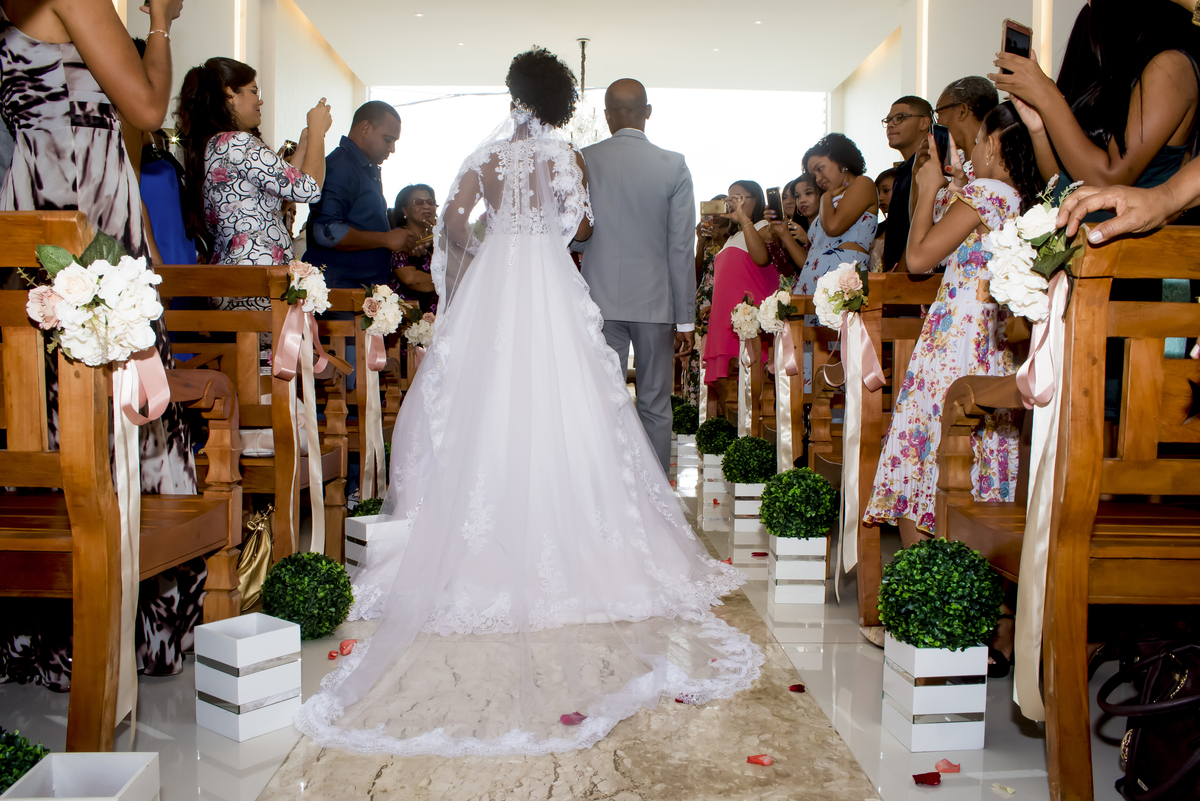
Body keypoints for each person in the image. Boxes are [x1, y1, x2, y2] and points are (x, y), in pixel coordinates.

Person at [293, 47, 760, 759]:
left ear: (514, 95)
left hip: (498, 283)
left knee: (483, 398)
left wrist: (484, 252)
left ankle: (480, 531)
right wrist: (542, 234)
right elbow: (582, 229)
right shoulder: (565, 155)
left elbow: (450, 223)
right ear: (563, 102)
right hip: (548, 280)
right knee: (573, 401)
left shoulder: (487, 158)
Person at [0, 0, 203, 685]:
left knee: (52, 391)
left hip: (31, 194)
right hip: (83, 204)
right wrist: (162, 23)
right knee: (113, 391)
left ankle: (48, 624)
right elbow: (146, 110)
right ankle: (125, 623)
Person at [864, 102, 1040, 552]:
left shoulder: (989, 193)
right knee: (979, 453)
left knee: (924, 444)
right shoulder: (1019, 196)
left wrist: (925, 190)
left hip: (957, 337)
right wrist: (946, 187)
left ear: (998, 145)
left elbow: (920, 259)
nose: (970, 148)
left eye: (979, 140)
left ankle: (924, 583)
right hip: (993, 337)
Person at [576, 78, 696, 473]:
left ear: (607, 115)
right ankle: (657, 496)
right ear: (647, 111)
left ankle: (607, 488)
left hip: (597, 301)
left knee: (601, 401)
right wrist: (686, 318)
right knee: (656, 405)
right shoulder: (673, 164)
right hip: (655, 303)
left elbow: (571, 234)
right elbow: (681, 248)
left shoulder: (583, 159)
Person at [992, 0, 1200, 209]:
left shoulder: (1170, 67)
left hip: (1132, 241)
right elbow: (1064, 185)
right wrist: (1038, 129)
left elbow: (1107, 183)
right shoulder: (1121, 77)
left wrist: (1048, 95)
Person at [176, 57, 329, 286]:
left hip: (233, 273)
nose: (261, 100)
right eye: (254, 91)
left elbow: (275, 193)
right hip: (258, 275)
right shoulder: (238, 142)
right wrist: (318, 131)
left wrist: (306, 142)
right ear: (230, 95)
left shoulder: (211, 145)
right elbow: (309, 188)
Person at [303, 101, 412, 288]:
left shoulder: (363, 168)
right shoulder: (341, 165)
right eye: (388, 139)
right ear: (365, 128)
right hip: (337, 292)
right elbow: (327, 231)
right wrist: (385, 239)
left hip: (357, 291)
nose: (392, 149)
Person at [701, 181, 773, 414]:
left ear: (756, 200)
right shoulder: (732, 238)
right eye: (729, 198)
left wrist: (744, 220)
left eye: (739, 198)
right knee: (727, 389)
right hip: (725, 320)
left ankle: (752, 439)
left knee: (752, 385)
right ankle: (736, 439)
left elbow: (762, 259)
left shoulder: (762, 227)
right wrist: (717, 306)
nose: (732, 203)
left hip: (748, 320)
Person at [792, 134, 878, 296]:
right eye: (813, 175)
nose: (817, 178)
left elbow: (833, 227)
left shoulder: (862, 183)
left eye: (820, 168)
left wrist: (825, 198)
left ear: (841, 160)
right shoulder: (831, 199)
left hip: (841, 284)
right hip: (812, 285)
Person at [880, 96, 933, 271]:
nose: (890, 125)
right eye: (888, 120)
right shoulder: (902, 170)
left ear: (924, 122)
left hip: (914, 273)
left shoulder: (931, 166)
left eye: (899, 118)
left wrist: (900, 273)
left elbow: (921, 226)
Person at [389, 183, 438, 314]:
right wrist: (448, 281)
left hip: (438, 314)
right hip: (408, 316)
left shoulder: (441, 236)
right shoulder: (399, 237)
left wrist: (440, 236)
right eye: (419, 202)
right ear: (404, 210)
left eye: (430, 202)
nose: (427, 206)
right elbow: (411, 279)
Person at [869, 168, 895, 271]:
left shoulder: (911, 229)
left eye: (886, 191)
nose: (880, 198)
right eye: (877, 193)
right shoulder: (875, 229)